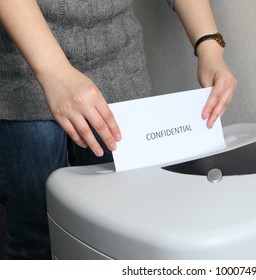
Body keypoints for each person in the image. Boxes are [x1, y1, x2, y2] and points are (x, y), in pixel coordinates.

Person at [0, 0, 237, 259]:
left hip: (118, 70)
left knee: (117, 227)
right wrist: (53, 70)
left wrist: (210, 48)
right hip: (23, 66)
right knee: (35, 232)